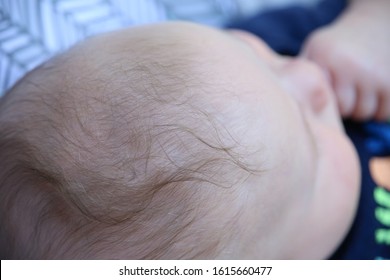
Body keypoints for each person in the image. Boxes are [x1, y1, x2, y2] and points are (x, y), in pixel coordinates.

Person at [0, 0, 388, 259]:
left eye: (259, 56)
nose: (309, 76)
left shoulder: (276, 53)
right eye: (312, 143)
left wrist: (370, 26)